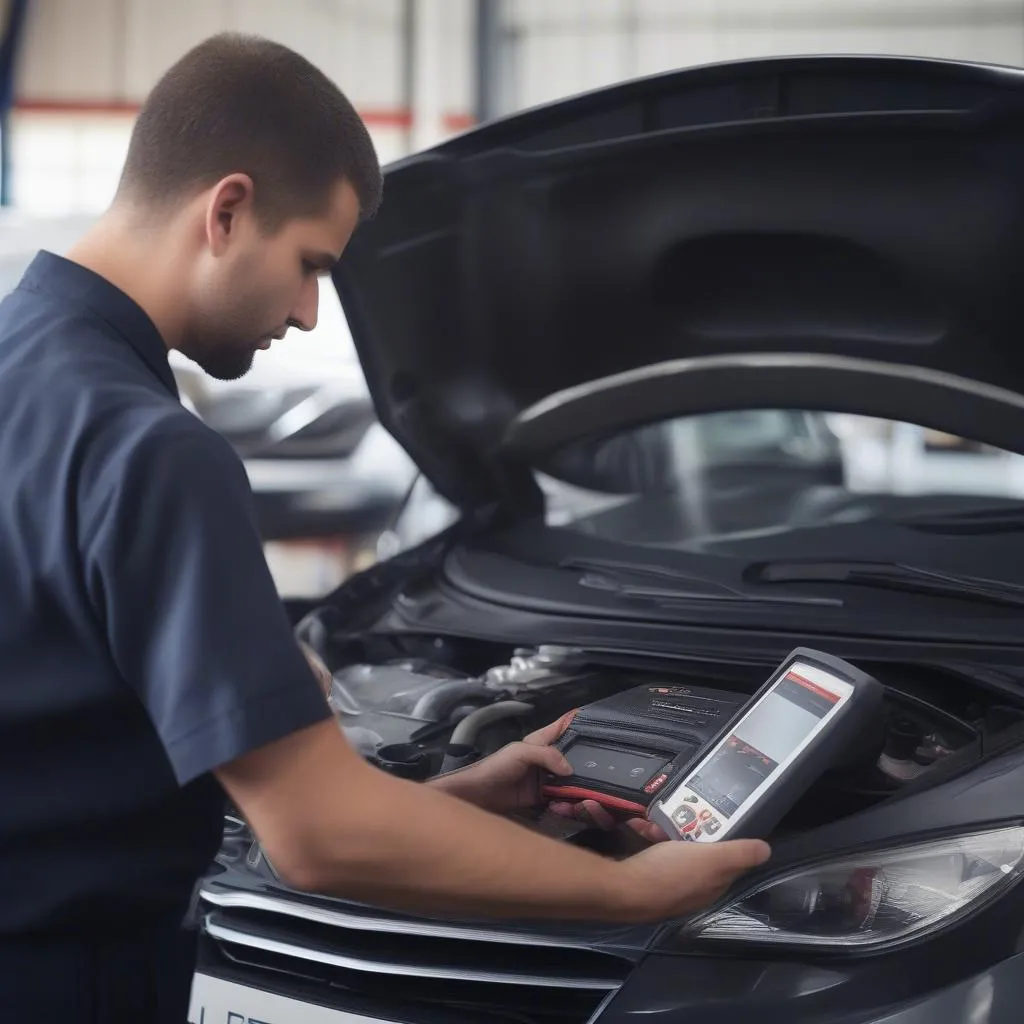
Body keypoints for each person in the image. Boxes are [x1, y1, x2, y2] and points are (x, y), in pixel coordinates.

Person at [0, 33, 770, 1022]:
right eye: (311, 263)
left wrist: (457, 801)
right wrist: (629, 894)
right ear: (226, 210)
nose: (312, 313)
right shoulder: (153, 451)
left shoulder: (23, 366)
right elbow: (317, 836)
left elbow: (77, 735)